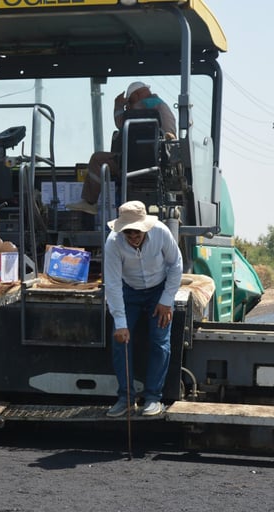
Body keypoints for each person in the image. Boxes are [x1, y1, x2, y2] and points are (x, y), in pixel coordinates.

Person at [103, 200, 184, 418]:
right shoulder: (112, 243)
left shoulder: (161, 233)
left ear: (145, 226)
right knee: (120, 340)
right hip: (128, 291)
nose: (133, 237)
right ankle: (126, 398)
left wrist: (167, 300)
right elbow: (111, 283)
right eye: (128, 233)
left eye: (137, 232)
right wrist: (120, 323)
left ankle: (153, 398)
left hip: (159, 290)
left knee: (160, 340)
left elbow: (176, 264)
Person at [67, 81, 178, 216]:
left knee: (97, 159)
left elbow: (121, 122)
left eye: (130, 101)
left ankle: (90, 203)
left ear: (136, 96)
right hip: (160, 159)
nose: (129, 106)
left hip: (141, 161)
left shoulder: (146, 104)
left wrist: (119, 105)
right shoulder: (161, 104)